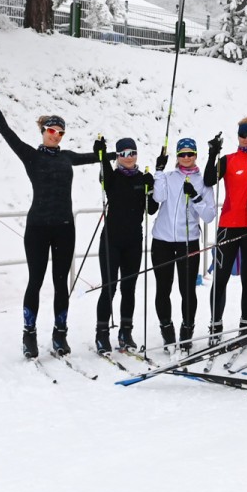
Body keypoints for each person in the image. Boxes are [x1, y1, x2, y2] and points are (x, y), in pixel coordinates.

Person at [0, 79, 100, 359]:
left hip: (64, 228)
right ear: (43, 131)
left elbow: (98, 157)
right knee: (35, 280)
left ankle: (60, 333)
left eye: (60, 132)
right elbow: (6, 132)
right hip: (37, 228)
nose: (56, 136)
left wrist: (107, 151)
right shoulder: (31, 156)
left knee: (60, 282)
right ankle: (29, 334)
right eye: (51, 131)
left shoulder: (68, 157)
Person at [205, 117, 247, 337]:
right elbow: (207, 180)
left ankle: (246, 326)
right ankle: (215, 326)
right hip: (229, 226)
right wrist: (213, 154)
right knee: (221, 277)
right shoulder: (228, 160)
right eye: (243, 135)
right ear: (238, 136)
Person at [152, 138, 218, 351]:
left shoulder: (203, 182)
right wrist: (159, 171)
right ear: (177, 157)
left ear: (196, 155)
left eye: (190, 154)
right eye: (182, 154)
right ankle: (167, 329)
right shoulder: (169, 177)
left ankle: (187, 330)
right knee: (163, 288)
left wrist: (196, 198)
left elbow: (209, 215)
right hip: (161, 240)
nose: (186, 158)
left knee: (187, 289)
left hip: (187, 242)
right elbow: (159, 196)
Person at [95, 138, 158, 354]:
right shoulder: (112, 177)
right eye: (123, 153)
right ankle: (102, 334)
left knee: (129, 288)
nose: (128, 157)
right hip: (111, 241)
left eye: (132, 152)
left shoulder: (142, 179)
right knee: (109, 288)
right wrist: (102, 154)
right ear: (118, 156)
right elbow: (104, 177)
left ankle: (126, 332)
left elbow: (151, 210)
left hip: (133, 242)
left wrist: (152, 187)